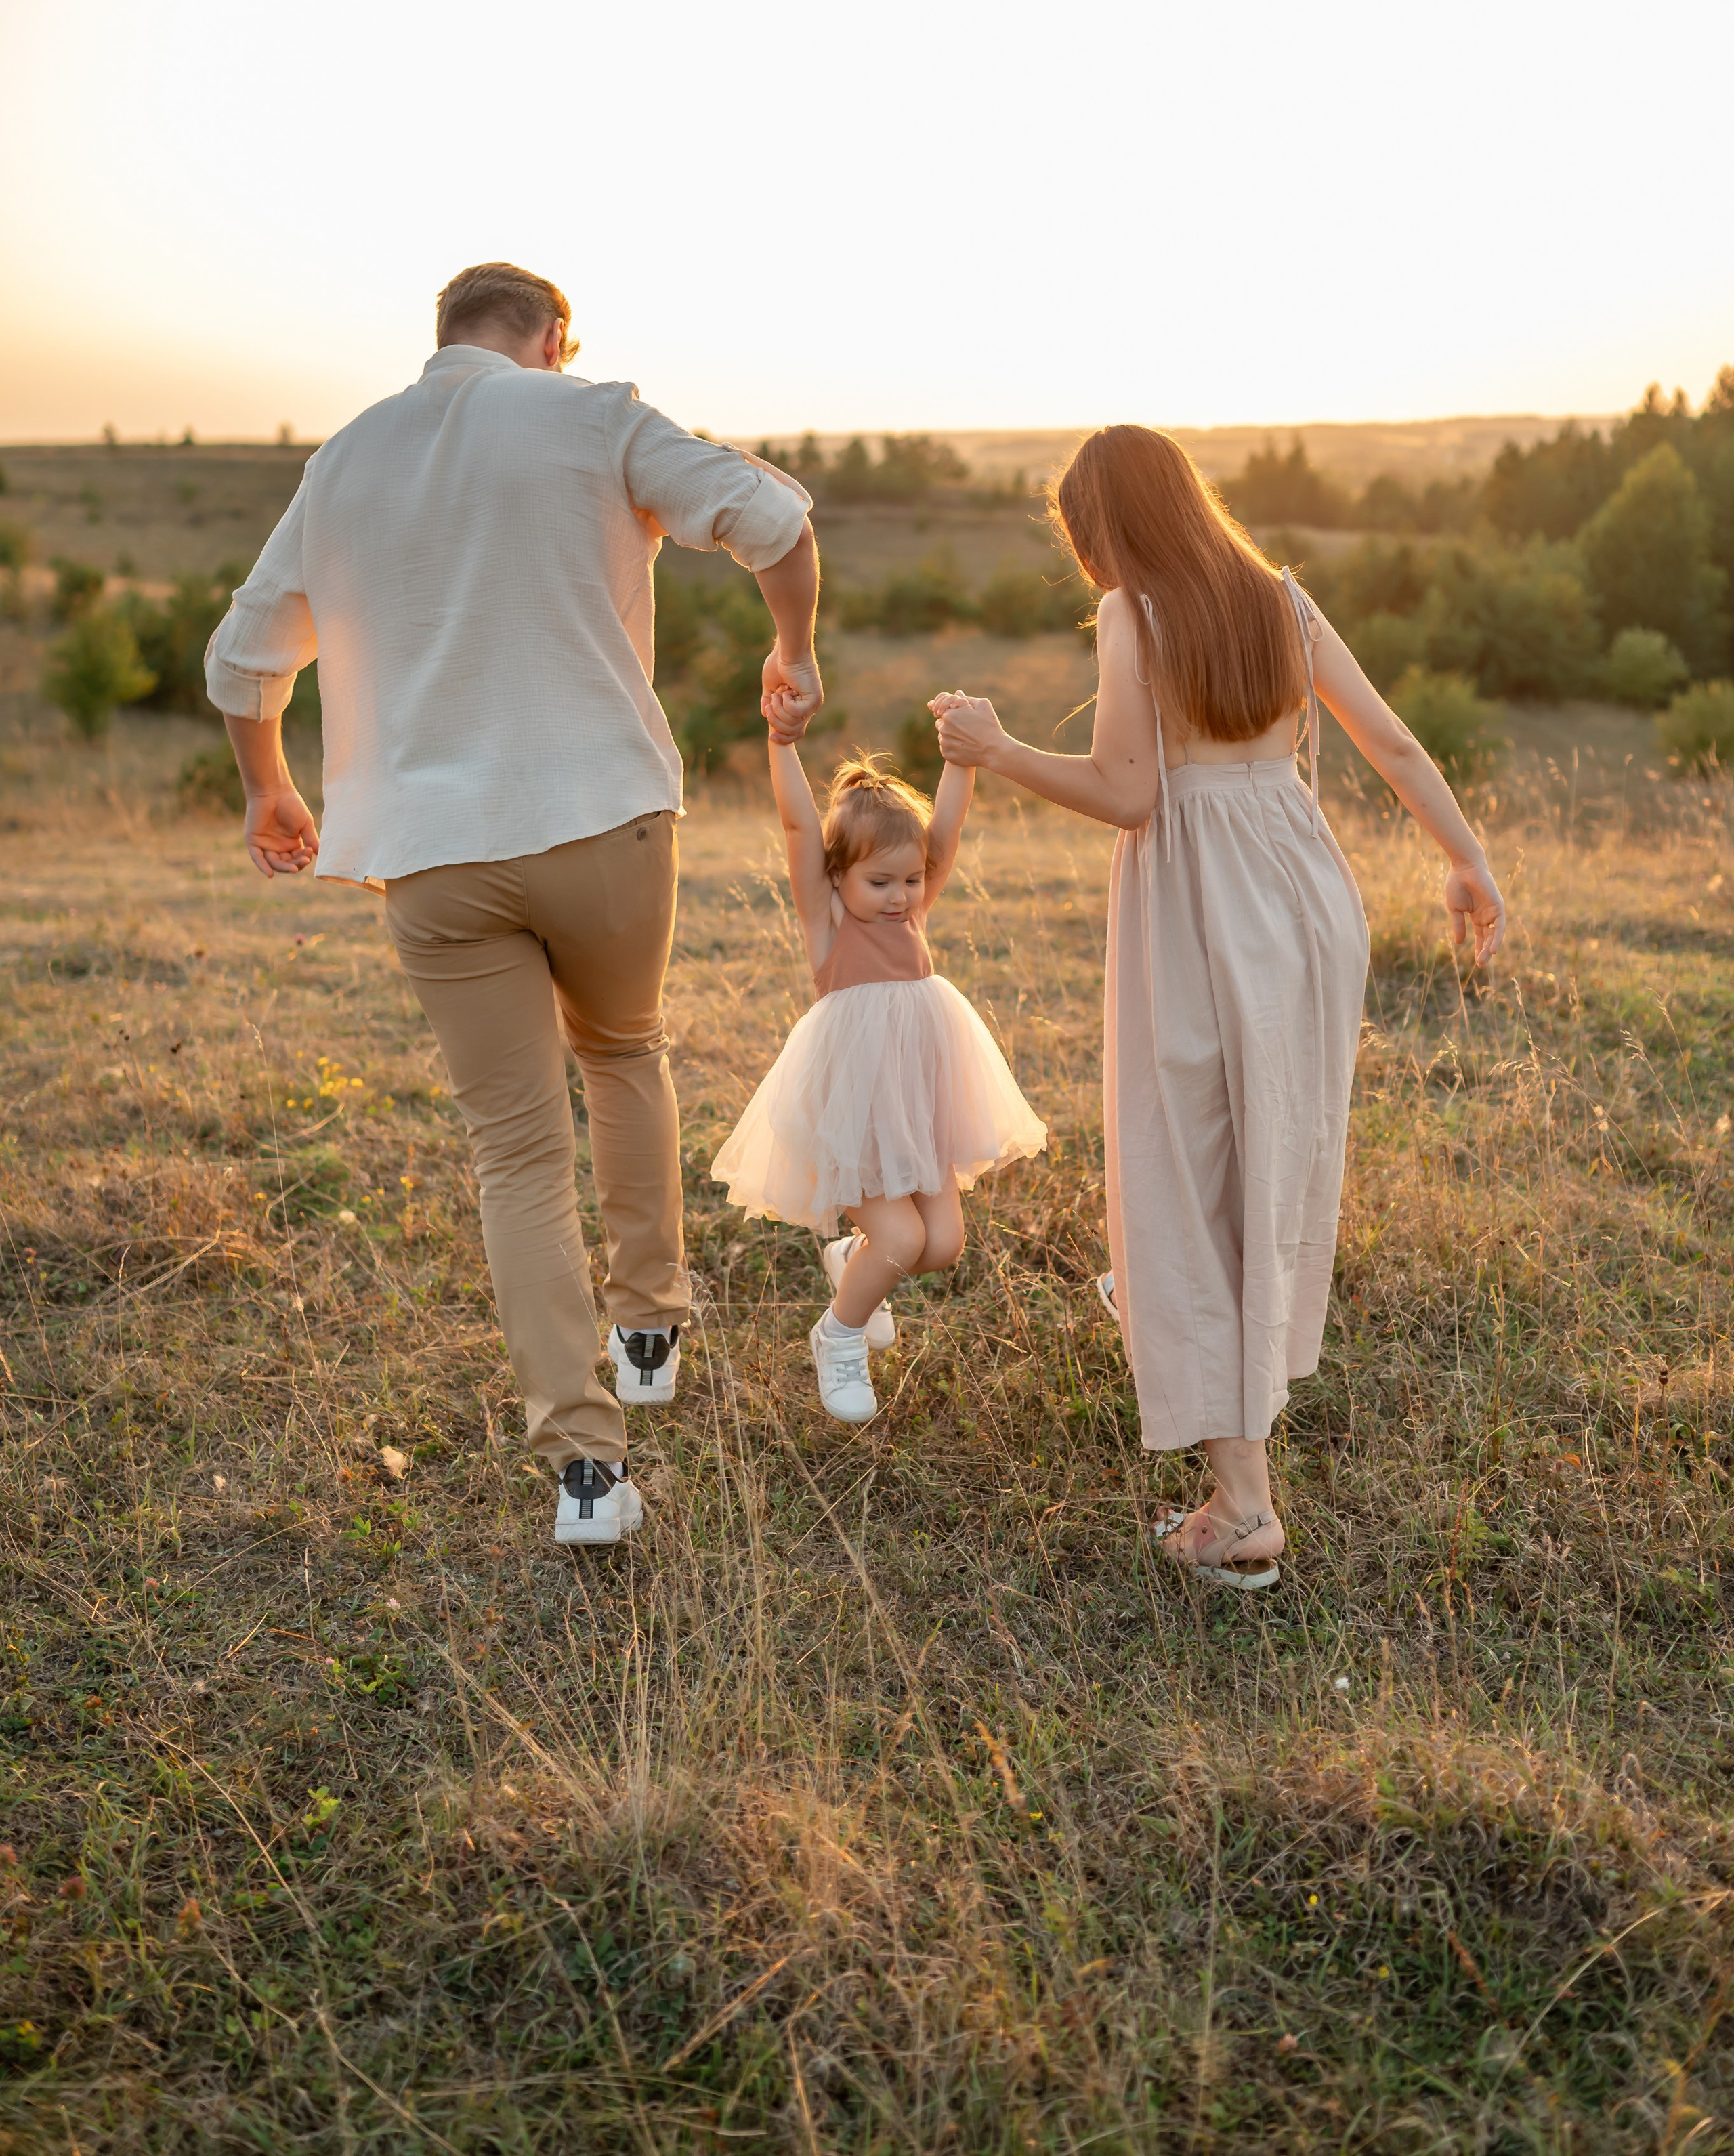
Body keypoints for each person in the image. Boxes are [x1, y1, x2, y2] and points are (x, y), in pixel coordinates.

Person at [204, 261, 823, 1547]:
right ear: (552, 338)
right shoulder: (593, 412)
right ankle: (647, 1324)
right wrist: (793, 651)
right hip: (601, 814)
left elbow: (244, 658)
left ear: (444, 337)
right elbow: (772, 522)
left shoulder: (345, 459)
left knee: (517, 1153)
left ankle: (585, 1472)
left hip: (433, 854)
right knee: (624, 1050)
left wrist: (269, 786)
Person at [931, 425, 1505, 1588]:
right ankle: (1200, 1363)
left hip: (1201, 897)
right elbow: (1392, 740)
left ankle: (1243, 1505)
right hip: (1308, 894)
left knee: (1186, 1176)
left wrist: (994, 749)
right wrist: (1467, 859)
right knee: (1274, 1163)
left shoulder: (1131, 612)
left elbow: (1129, 794)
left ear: (1106, 527)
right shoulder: (1282, 597)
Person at [711, 750, 1046, 1422]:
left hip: (917, 1108)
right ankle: (838, 1335)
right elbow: (799, 827)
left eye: (912, 880)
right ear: (837, 875)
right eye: (880, 881)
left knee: (941, 1245)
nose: (900, 896)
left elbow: (946, 829)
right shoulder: (828, 921)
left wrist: (959, 758)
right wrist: (781, 743)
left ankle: (851, 1258)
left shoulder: (911, 916)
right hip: (856, 1115)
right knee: (900, 1242)